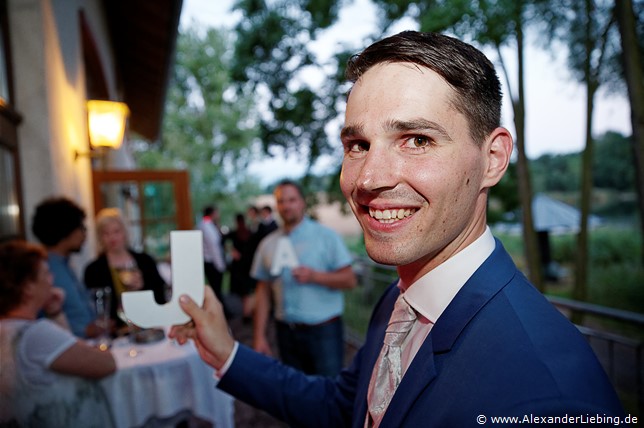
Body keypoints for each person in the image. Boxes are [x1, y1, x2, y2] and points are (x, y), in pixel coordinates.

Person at [170, 31, 625, 426]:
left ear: (493, 159)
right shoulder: (399, 297)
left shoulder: (548, 397)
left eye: (417, 140)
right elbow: (342, 410)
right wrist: (226, 352)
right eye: (358, 144)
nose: (368, 179)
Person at [0, 240, 116, 427]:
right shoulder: (36, 334)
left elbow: (66, 348)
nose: (52, 279)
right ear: (28, 287)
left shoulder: (7, 328)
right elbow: (106, 363)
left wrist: (54, 311)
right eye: (46, 273)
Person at [251, 179, 357, 376]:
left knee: (329, 391)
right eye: (281, 201)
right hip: (285, 332)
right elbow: (262, 291)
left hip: (324, 331)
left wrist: (315, 276)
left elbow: (349, 279)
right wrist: (259, 336)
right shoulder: (267, 244)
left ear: (302, 202)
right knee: (295, 393)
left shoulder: (326, 236)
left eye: (292, 200)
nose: (286, 206)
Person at [84, 208, 168, 330]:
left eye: (116, 231)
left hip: (149, 327)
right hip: (116, 333)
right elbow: (96, 308)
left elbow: (161, 296)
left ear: (125, 232)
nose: (112, 238)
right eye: (106, 233)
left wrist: (142, 288)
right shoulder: (93, 270)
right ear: (100, 237)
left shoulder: (145, 261)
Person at [31, 196, 98, 338]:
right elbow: (40, 320)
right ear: (65, 231)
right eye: (81, 227)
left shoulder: (63, 264)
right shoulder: (45, 271)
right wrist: (89, 330)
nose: (84, 233)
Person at [225, 213, 256, 320]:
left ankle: (246, 312)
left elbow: (222, 241)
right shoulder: (249, 233)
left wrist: (231, 251)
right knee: (247, 291)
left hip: (241, 267)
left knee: (245, 291)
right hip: (246, 266)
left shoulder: (236, 234)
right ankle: (247, 312)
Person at [198, 205, 228, 312]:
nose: (218, 215)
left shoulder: (208, 224)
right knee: (216, 289)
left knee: (217, 289)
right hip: (212, 262)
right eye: (217, 213)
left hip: (211, 261)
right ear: (212, 214)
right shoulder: (206, 225)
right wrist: (220, 265)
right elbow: (213, 247)